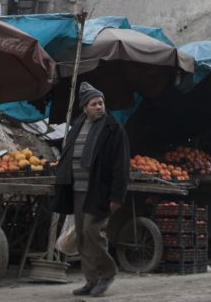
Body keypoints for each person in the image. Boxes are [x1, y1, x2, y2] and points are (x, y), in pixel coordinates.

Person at [52, 83, 130, 297]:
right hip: (78, 189)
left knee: (92, 231)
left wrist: (117, 195)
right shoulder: (78, 125)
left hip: (99, 190)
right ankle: (91, 280)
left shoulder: (113, 128)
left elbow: (121, 165)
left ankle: (107, 273)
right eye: (94, 104)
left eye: (101, 103)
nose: (99, 107)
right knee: (81, 235)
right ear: (84, 108)